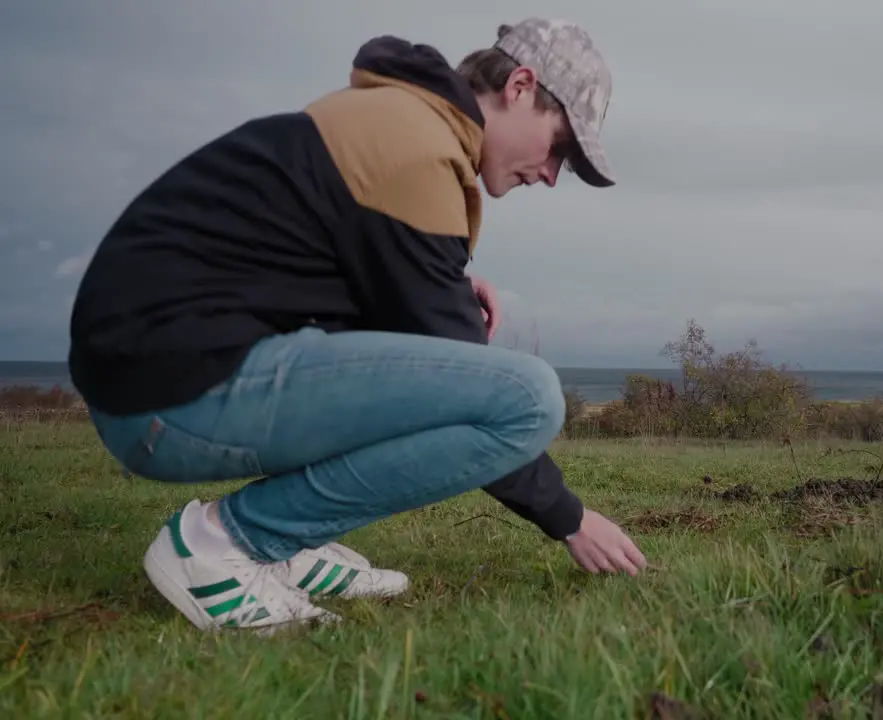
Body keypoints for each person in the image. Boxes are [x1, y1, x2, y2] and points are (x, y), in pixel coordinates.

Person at [67, 17, 646, 634]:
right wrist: (570, 517)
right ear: (521, 86)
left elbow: (335, 275)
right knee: (527, 400)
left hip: (153, 377)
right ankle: (223, 544)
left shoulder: (402, 119)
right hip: (164, 396)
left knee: (474, 381)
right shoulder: (415, 149)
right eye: (559, 148)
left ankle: (288, 545)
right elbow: (452, 378)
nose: (552, 174)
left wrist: (438, 284)